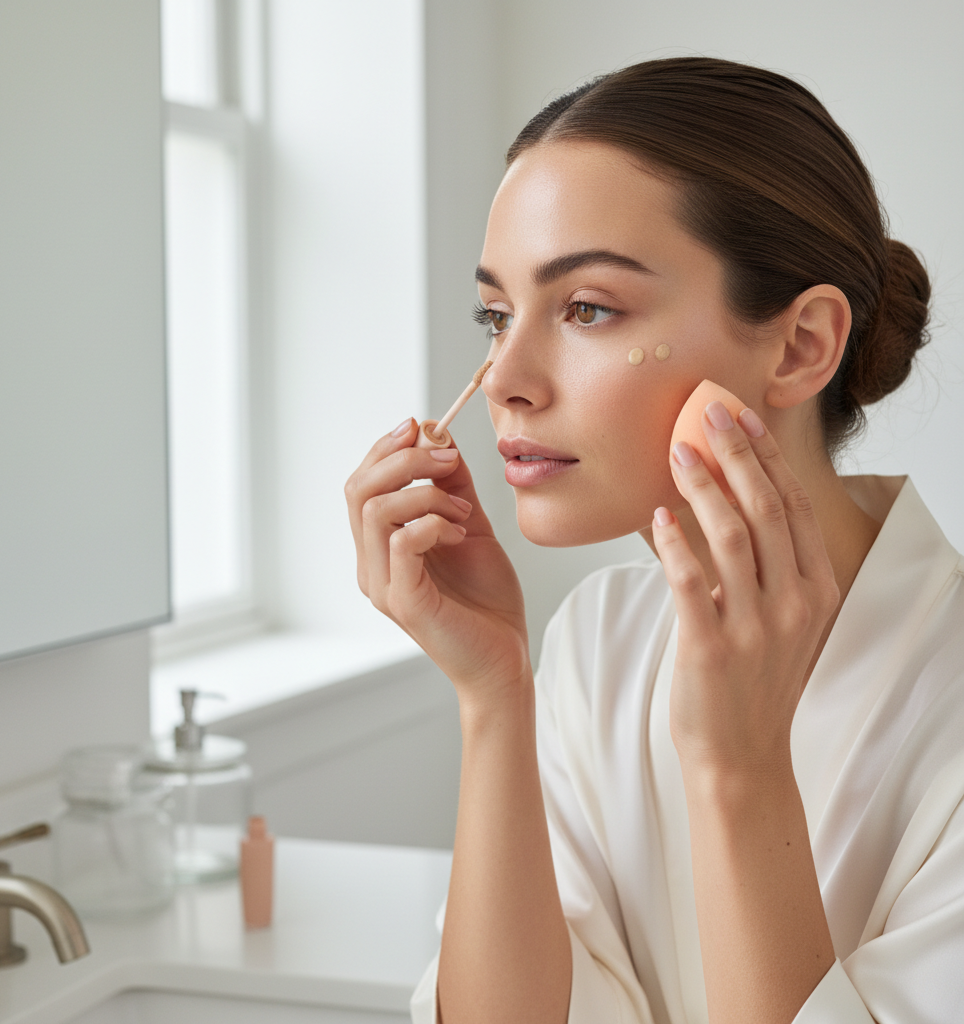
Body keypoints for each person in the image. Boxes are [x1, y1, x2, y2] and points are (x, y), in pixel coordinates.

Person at [345, 57, 964, 1024]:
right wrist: (494, 693)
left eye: (587, 308)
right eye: (497, 316)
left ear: (800, 345)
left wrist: (739, 767)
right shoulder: (601, 637)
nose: (505, 377)